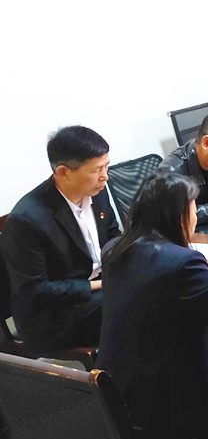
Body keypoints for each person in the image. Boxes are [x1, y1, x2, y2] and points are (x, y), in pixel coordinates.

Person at [96, 171, 208, 439]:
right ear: (178, 215)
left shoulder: (114, 250)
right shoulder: (184, 263)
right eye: (192, 210)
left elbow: (154, 286)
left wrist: (205, 278)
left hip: (118, 394)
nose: (194, 218)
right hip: (170, 405)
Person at [1, 126, 120, 350]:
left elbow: (112, 234)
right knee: (135, 304)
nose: (105, 176)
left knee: (152, 287)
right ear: (63, 172)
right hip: (53, 315)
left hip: (96, 289)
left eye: (107, 166)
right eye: (97, 169)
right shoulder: (26, 220)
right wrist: (100, 284)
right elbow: (35, 291)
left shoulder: (97, 190)